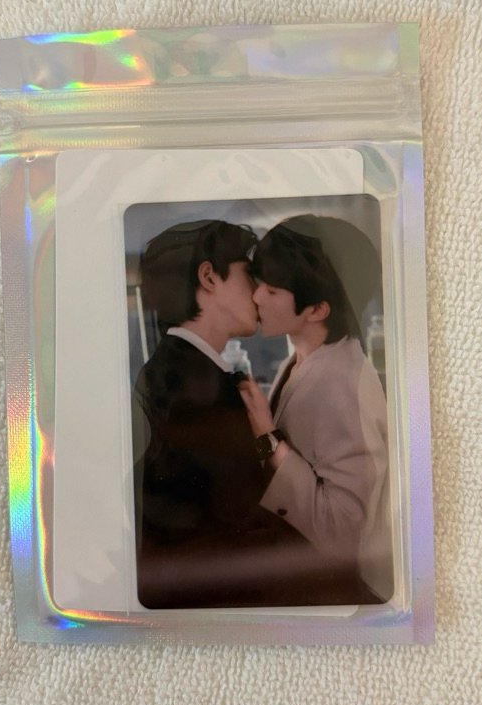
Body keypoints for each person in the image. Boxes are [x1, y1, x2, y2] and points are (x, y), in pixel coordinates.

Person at [132, 219, 347, 609]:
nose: (259, 291)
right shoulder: (193, 386)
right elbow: (246, 520)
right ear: (209, 277)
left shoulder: (181, 371)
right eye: (248, 275)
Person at [237, 216, 393, 603]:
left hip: (340, 594)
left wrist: (268, 438)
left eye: (272, 290)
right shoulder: (306, 358)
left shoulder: (342, 386)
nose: (256, 297)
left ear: (318, 309)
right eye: (260, 282)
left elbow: (343, 534)